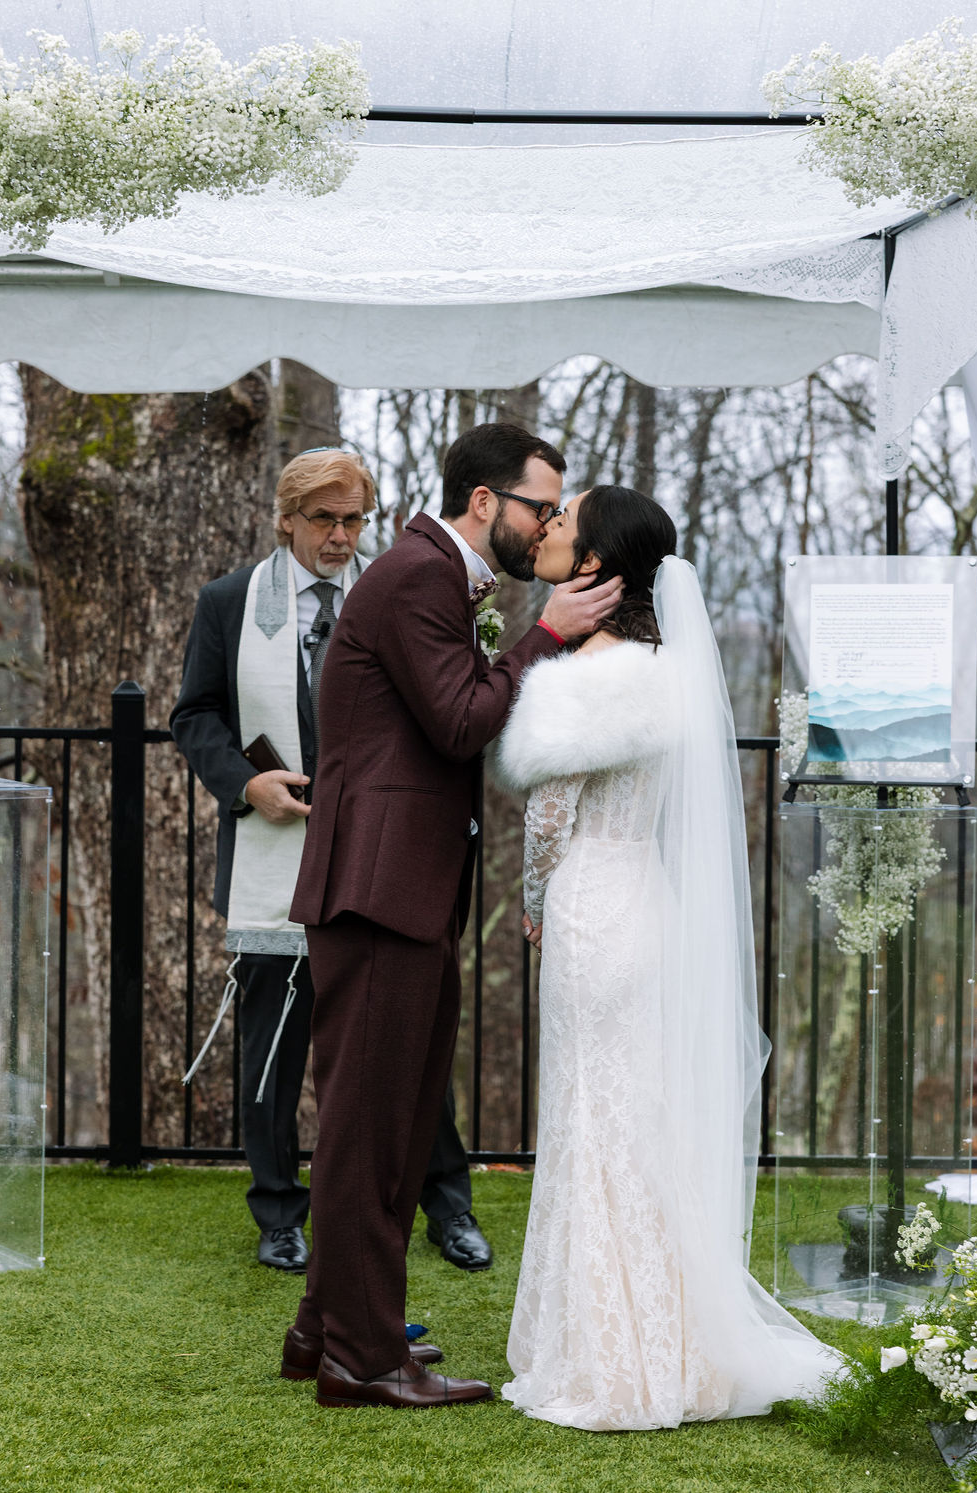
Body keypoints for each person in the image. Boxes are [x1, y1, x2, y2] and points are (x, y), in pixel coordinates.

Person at [284, 423, 623, 1410]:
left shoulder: (431, 574)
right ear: (485, 501)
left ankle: (332, 1326)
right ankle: (360, 1355)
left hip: (403, 886)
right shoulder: (420, 574)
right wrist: (545, 633)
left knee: (385, 1121)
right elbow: (461, 717)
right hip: (379, 890)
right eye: (541, 507)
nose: (548, 525)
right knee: (371, 1126)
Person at [497, 485, 842, 1431]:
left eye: (565, 525)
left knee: (589, 1118)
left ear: (600, 564)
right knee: (635, 1118)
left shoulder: (579, 678)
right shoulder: (668, 668)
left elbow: (550, 819)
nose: (550, 530)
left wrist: (532, 904)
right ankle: (674, 1340)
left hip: (591, 907)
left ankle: (615, 1356)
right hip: (644, 897)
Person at [170, 448, 489, 1280]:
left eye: (355, 519)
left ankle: (445, 1202)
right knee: (273, 1042)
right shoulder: (230, 601)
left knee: (407, 1037)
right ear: (286, 518)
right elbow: (194, 713)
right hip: (274, 847)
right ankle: (278, 1211)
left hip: (381, 850)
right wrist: (246, 784)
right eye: (325, 520)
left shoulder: (398, 591)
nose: (343, 537)